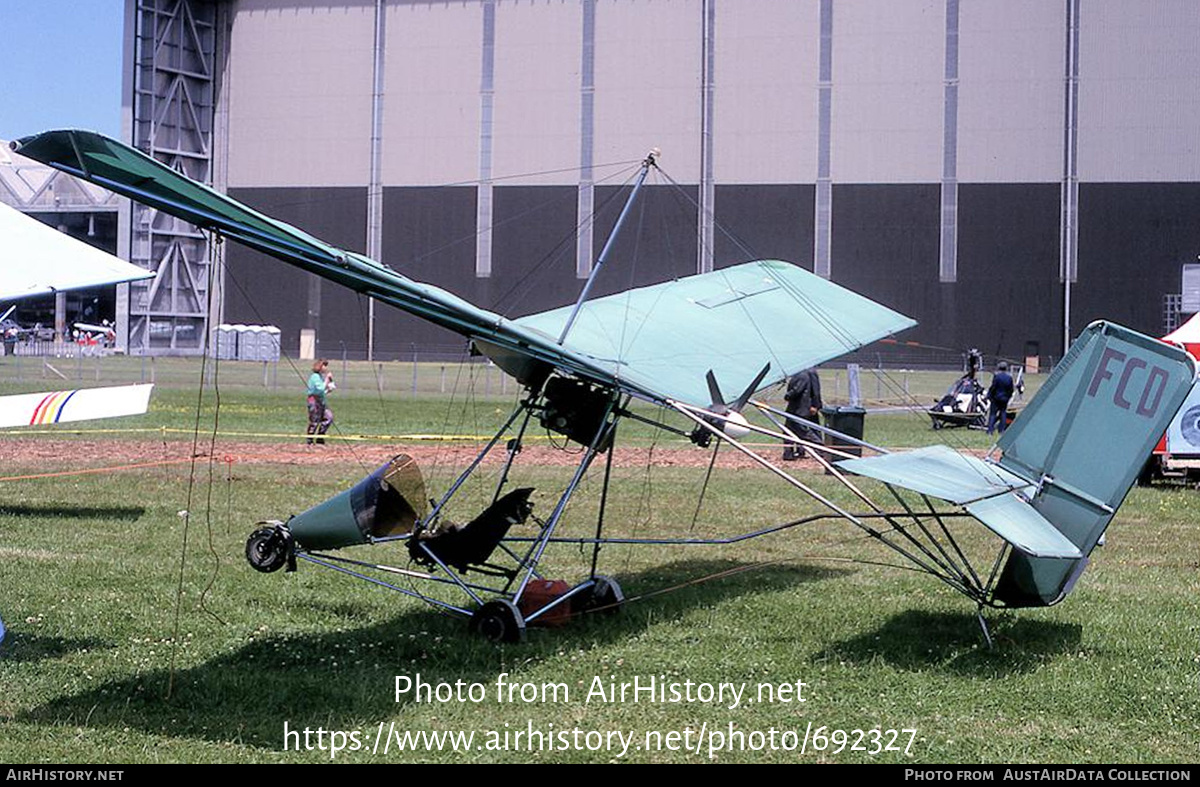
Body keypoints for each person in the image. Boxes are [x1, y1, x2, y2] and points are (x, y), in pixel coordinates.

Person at [782, 368, 822, 460]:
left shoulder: (802, 375)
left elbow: (797, 390)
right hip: (798, 408)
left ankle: (821, 450)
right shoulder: (804, 373)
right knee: (788, 431)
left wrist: (788, 395)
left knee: (802, 431)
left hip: (800, 408)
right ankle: (789, 454)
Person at [306, 358, 335, 445]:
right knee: (315, 420)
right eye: (324, 365)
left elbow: (321, 391)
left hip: (321, 401)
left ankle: (320, 436)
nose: (326, 368)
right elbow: (320, 388)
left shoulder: (319, 377)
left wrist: (328, 390)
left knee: (329, 417)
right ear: (320, 366)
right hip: (313, 401)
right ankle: (310, 440)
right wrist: (327, 379)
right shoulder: (314, 377)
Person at [986, 361, 1014, 435]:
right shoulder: (1009, 377)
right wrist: (1008, 397)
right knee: (1003, 413)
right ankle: (1001, 430)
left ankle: (990, 431)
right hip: (1004, 399)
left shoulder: (996, 376)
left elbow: (993, 387)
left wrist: (989, 396)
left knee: (992, 414)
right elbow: (1011, 389)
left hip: (996, 398)